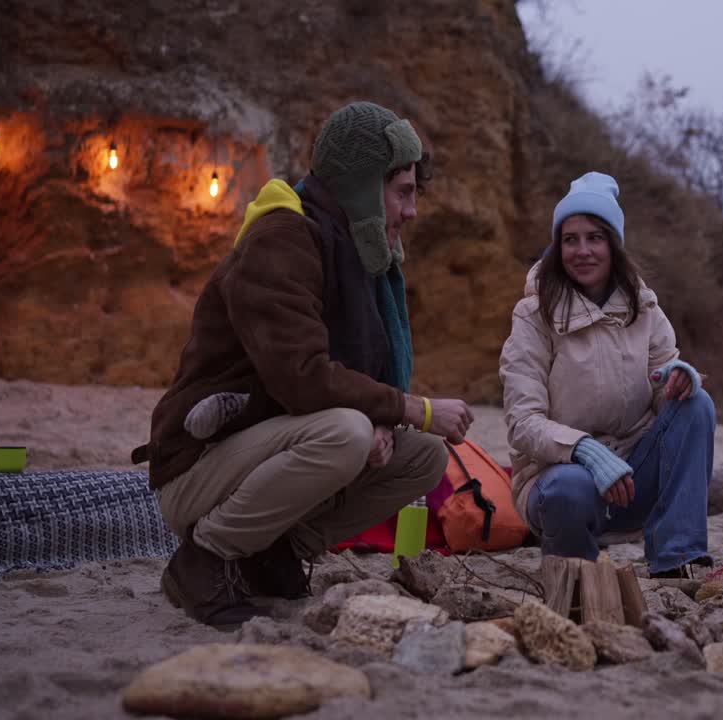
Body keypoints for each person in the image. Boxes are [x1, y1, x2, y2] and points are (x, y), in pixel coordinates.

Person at [134, 102, 474, 629]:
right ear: (362, 186)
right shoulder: (282, 240)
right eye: (402, 193)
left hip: (267, 449)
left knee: (425, 456)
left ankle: (273, 554)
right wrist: (411, 407)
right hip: (199, 467)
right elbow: (303, 378)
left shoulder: (358, 255)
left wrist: (390, 418)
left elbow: (353, 378)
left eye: (414, 193)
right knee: (346, 433)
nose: (411, 211)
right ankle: (203, 557)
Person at [499, 172, 717, 578]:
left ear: (614, 245)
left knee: (697, 404)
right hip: (559, 481)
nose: (582, 251)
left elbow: (662, 387)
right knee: (569, 488)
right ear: (557, 246)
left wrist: (676, 383)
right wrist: (583, 450)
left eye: (595, 238)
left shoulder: (645, 309)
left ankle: (676, 557)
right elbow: (522, 422)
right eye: (570, 239)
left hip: (632, 481)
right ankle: (577, 575)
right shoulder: (532, 316)